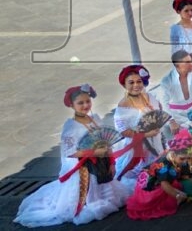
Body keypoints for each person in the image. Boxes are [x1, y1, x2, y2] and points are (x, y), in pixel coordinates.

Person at [14, 84, 128, 227]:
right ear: (72, 105)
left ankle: (102, 196)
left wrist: (110, 161)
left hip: (101, 162)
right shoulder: (71, 127)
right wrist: (95, 152)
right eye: (80, 103)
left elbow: (105, 139)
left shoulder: (95, 119)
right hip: (83, 165)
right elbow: (71, 152)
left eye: (87, 101)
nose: (85, 105)